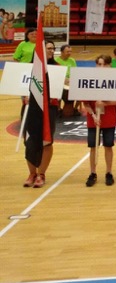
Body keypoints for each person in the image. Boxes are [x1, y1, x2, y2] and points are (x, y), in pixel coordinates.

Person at [22, 42, 60, 189]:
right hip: (30, 108)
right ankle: (32, 173)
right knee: (30, 141)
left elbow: (59, 89)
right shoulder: (28, 68)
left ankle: (41, 174)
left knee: (46, 141)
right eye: (48, 48)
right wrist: (24, 96)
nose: (51, 51)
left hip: (49, 109)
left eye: (52, 48)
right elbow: (21, 86)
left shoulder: (57, 68)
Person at [81, 54, 116, 187]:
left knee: (108, 146)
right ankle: (93, 173)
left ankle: (109, 172)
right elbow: (85, 103)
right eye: (99, 64)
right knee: (93, 147)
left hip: (109, 118)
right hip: (94, 120)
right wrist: (93, 115)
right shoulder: (90, 80)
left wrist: (105, 104)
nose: (101, 67)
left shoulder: (115, 80)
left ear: (109, 65)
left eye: (104, 64)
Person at [54, 44, 78, 116]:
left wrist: (72, 80)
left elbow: (75, 72)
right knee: (57, 90)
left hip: (71, 81)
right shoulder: (56, 60)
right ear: (62, 52)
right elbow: (55, 74)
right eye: (67, 52)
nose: (69, 53)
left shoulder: (72, 60)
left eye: (70, 51)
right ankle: (58, 109)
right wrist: (63, 80)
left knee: (81, 90)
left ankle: (75, 108)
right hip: (60, 81)